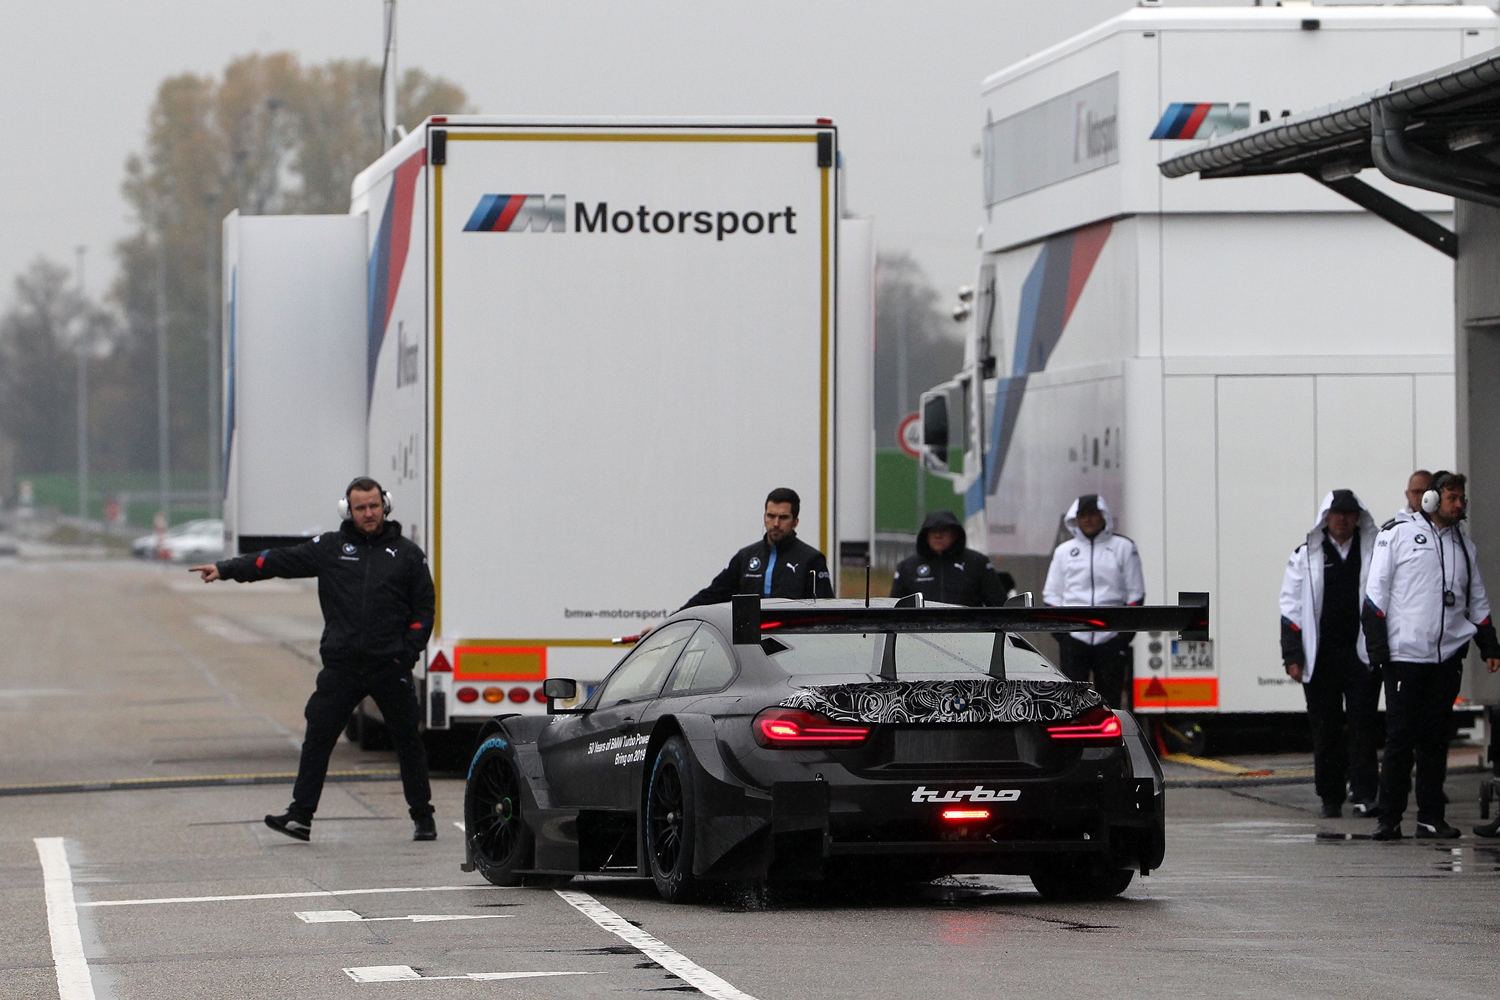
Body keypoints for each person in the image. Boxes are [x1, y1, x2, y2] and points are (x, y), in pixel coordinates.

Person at [190, 477, 437, 843]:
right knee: (318, 738)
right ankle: (300, 817)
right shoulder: (331, 548)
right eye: (360, 508)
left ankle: (423, 818)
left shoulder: (407, 554)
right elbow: (274, 561)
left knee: (407, 743)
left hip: (391, 667)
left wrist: (408, 652)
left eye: (373, 506)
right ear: (347, 511)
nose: (368, 514)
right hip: (342, 667)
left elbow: (424, 609)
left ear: (385, 505)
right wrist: (227, 569)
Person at [1362, 471, 1500, 840]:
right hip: (1405, 656)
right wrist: (1379, 650)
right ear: (1432, 499)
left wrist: (1489, 644)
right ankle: (1388, 818)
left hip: (1446, 659)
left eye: (1462, 499)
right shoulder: (1397, 534)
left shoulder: (1464, 547)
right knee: (1400, 740)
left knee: (1436, 741)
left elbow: (1477, 601)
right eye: (1452, 498)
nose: (1459, 506)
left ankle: (1430, 817)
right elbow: (1376, 595)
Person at [1279, 489, 1380, 818]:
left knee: (1363, 726)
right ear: (1326, 517)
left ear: (1358, 517)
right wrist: (1293, 655)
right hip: (1320, 655)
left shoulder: (1374, 550)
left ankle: (1365, 792)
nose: (1342, 519)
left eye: (1349, 514)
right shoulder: (1306, 554)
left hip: (1361, 653)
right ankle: (1331, 796)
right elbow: (1290, 608)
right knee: (1326, 728)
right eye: (1337, 513)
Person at [1043, 494, 1144, 709]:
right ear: (1075, 519)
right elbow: (1051, 595)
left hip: (1111, 637)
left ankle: (1112, 743)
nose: (1088, 520)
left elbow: (1135, 594)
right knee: (1070, 704)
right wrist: (1062, 633)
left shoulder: (1124, 547)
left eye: (1093, 515)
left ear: (1104, 516)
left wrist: (1123, 634)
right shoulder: (1064, 552)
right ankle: (1072, 743)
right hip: (1074, 638)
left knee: (1111, 703)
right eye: (1083, 516)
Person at [682, 487, 833, 607]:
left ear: (795, 522)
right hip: (748, 643)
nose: (775, 523)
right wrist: (674, 619)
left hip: (794, 642)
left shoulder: (811, 560)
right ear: (764, 516)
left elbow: (826, 611)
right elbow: (712, 595)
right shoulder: (746, 557)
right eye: (771, 516)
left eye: (783, 517)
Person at [890, 510, 1014, 606]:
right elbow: (894, 610)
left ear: (955, 534)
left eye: (943, 531)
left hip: (969, 635)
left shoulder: (977, 563)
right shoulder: (907, 568)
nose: (938, 535)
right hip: (921, 636)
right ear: (925, 535)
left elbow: (999, 606)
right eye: (933, 531)